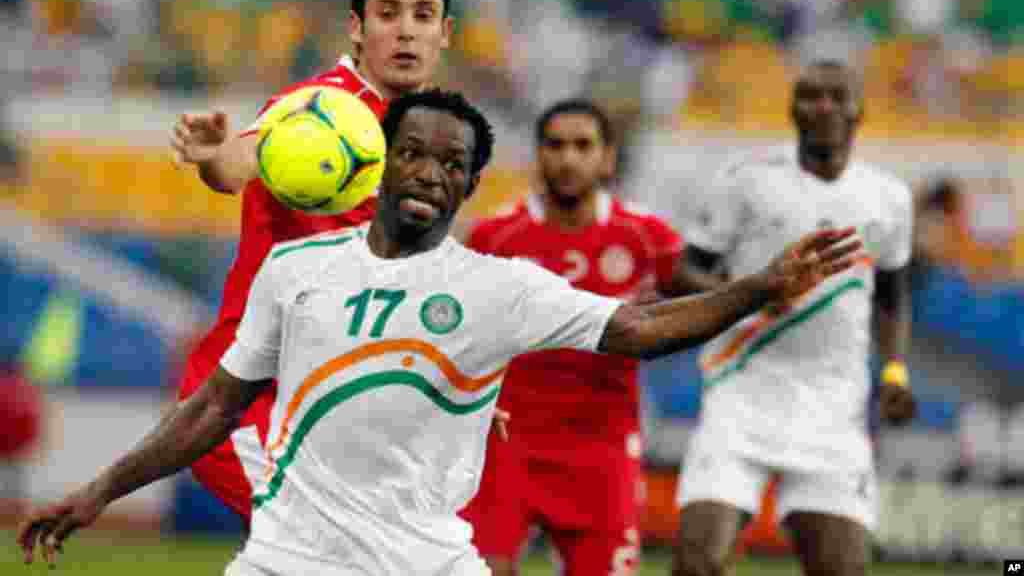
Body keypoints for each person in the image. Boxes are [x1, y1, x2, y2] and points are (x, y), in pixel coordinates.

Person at [18, 89, 862, 575]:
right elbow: (212, 408)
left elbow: (638, 326)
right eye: (415, 152)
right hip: (288, 561)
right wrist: (97, 492)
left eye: (453, 164)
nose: (431, 172)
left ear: (469, 186)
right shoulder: (297, 271)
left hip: (425, 561)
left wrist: (760, 284)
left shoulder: (497, 287)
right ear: (382, 161)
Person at [165, 0, 495, 520]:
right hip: (250, 406)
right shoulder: (318, 109)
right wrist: (213, 156)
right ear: (357, 28)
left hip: (339, 411)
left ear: (445, 34)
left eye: (422, 16)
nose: (405, 31)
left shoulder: (435, 135)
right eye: (388, 14)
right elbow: (237, 167)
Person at [670, 60, 918, 576]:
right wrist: (747, 295)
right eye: (810, 96)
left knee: (841, 570)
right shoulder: (746, 180)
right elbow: (685, 271)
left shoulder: (889, 199)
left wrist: (894, 369)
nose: (824, 106)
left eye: (836, 96)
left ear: (859, 112)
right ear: (792, 110)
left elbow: (892, 294)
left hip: (835, 408)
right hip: (740, 392)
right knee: (698, 565)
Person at [460, 99, 689, 575]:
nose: (568, 158)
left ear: (607, 158)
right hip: (507, 441)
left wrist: (762, 289)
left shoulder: (645, 237)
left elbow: (701, 302)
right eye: (555, 145)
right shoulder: (494, 237)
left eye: (583, 146)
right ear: (538, 155)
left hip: (602, 447)